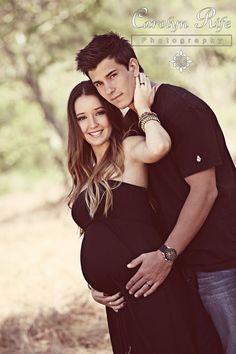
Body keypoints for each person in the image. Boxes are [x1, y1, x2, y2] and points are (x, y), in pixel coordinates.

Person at [75, 32, 236, 354]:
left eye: (113, 76)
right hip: (178, 265)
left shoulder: (179, 107)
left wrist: (166, 254)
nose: (109, 90)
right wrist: (103, 279)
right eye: (100, 84)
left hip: (216, 262)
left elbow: (205, 191)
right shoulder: (133, 121)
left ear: (133, 66)